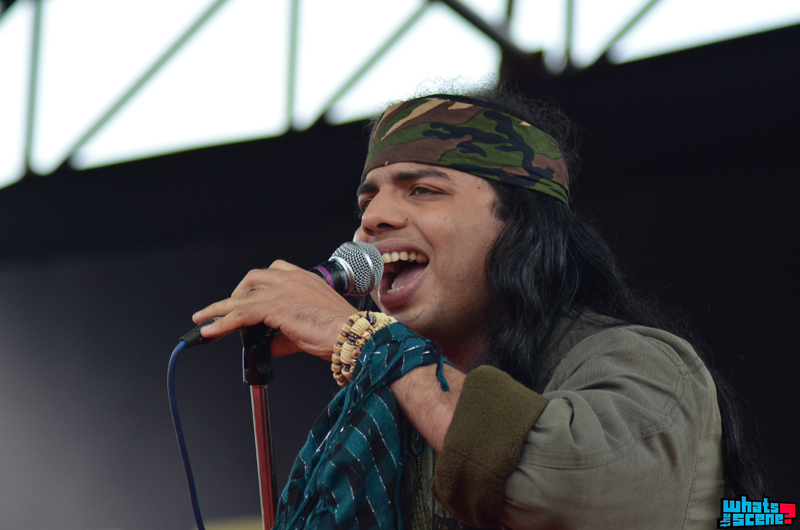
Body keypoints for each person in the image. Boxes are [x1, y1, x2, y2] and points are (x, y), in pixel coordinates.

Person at [192, 86, 766, 529]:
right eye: (367, 200)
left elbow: (573, 493)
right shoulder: (398, 408)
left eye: (423, 189)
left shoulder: (637, 362)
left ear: (520, 227)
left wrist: (369, 341)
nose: (373, 219)